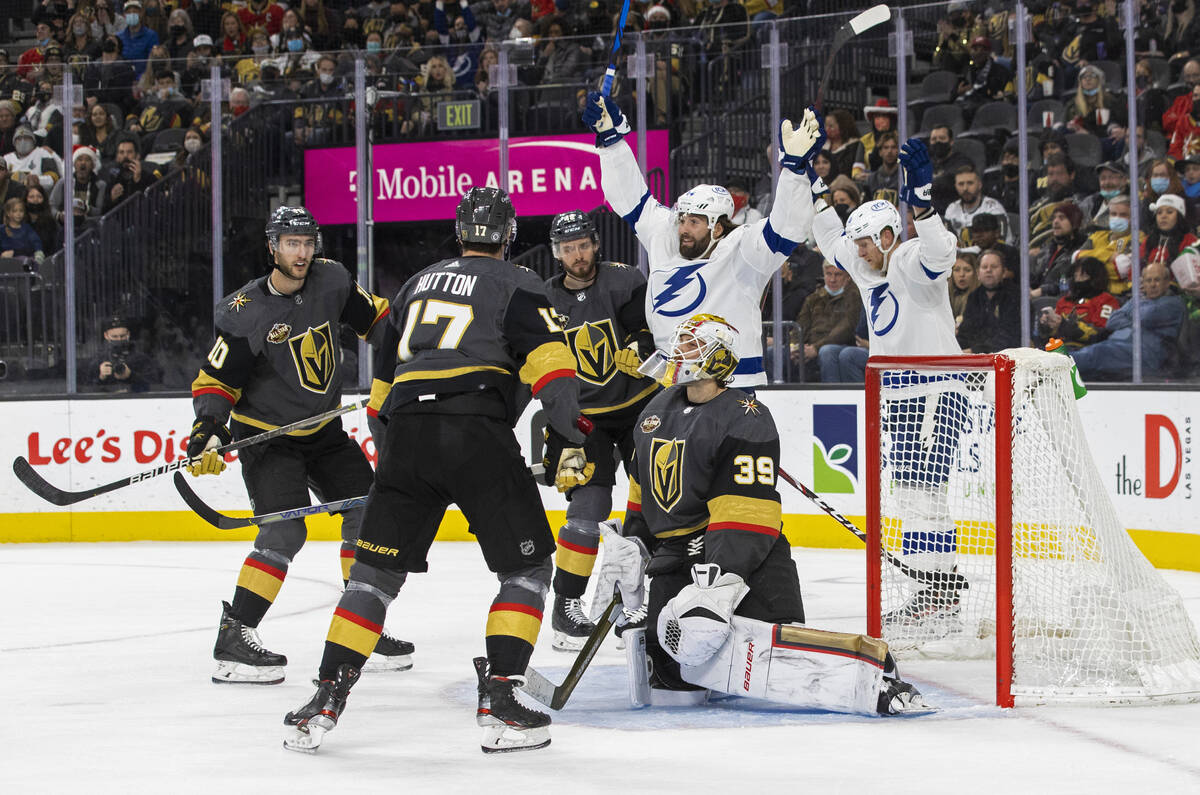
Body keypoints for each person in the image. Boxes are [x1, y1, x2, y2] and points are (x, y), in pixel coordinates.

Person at [282, 187, 593, 755]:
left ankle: (323, 699)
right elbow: (550, 367)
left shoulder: (415, 283)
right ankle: (501, 701)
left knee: (371, 580)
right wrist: (571, 435)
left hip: (407, 435)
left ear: (460, 231)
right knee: (526, 573)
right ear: (507, 236)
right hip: (476, 431)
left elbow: (380, 395)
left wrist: (397, 461)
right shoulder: (518, 282)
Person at [607, 313, 924, 714]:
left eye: (690, 345)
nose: (677, 352)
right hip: (678, 558)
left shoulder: (746, 417)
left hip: (745, 557)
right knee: (673, 681)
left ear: (717, 359)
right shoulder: (656, 407)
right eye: (680, 343)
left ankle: (875, 680)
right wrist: (634, 545)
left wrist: (717, 586)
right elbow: (641, 487)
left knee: (779, 649)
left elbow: (744, 513)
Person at [187, 206, 413, 685]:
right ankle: (234, 635)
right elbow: (216, 380)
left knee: (368, 515)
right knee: (285, 534)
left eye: (308, 242)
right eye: (292, 243)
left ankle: (362, 626)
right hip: (269, 438)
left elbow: (381, 324)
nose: (302, 252)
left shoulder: (331, 281)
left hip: (324, 430)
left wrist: (405, 366)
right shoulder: (244, 313)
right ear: (273, 247)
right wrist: (208, 429)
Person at [809, 137, 965, 627]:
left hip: (938, 388)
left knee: (926, 492)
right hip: (897, 393)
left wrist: (924, 205)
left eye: (865, 241)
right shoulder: (864, 261)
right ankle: (932, 592)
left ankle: (940, 596)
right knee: (912, 492)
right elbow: (827, 232)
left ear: (886, 236)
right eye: (856, 243)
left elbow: (943, 254)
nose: (856, 251)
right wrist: (808, 176)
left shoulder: (909, 258)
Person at [582, 92, 818, 388]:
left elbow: (788, 227)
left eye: (694, 222)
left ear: (717, 228)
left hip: (732, 386)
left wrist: (795, 171)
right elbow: (628, 196)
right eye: (683, 219)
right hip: (672, 385)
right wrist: (610, 142)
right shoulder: (666, 236)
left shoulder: (743, 252)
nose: (683, 228)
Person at [540, 209, 658, 650]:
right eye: (568, 249)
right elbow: (537, 363)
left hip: (638, 408)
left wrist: (638, 347)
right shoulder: (543, 297)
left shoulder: (625, 280)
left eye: (583, 246)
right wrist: (554, 435)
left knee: (656, 492)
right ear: (557, 253)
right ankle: (567, 605)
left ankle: (646, 596)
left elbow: (649, 331)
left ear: (596, 244)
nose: (578, 256)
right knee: (588, 503)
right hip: (582, 418)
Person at [1071, 262, 1186, 381]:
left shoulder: (1173, 303)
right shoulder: (1138, 300)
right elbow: (1112, 320)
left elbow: (1145, 317)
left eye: (1157, 280)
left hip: (1146, 355)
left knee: (1096, 354)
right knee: (1087, 371)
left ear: (1167, 283)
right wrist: (1135, 314)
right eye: (1148, 280)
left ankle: (1057, 366)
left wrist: (1131, 311)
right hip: (1118, 348)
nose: (1152, 285)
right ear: (1143, 283)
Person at [793, 262, 860, 382]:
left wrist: (816, 348)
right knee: (775, 353)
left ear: (847, 277)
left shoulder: (854, 296)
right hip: (811, 346)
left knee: (827, 352)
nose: (832, 279)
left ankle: (832, 398)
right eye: (828, 274)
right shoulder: (814, 298)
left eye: (838, 275)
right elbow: (800, 325)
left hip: (841, 345)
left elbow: (846, 329)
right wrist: (794, 346)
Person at [1037, 256, 1120, 350]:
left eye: (1083, 275)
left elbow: (1101, 334)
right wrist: (1047, 324)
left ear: (1095, 278)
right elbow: (1051, 336)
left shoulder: (1106, 300)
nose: (1077, 278)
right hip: (1057, 349)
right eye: (1076, 274)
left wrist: (1065, 325)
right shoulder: (1064, 301)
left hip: (1087, 351)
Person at [956, 249, 1021, 353]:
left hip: (1006, 357)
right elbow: (965, 332)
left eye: (994, 267)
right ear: (978, 273)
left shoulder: (1015, 296)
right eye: (984, 267)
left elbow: (1009, 337)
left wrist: (973, 351)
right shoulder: (974, 297)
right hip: (974, 358)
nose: (988, 270)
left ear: (1004, 272)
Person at [1074, 193, 1135, 297]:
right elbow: (1075, 258)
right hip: (1088, 294)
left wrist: (1089, 260)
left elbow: (1120, 269)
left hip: (1118, 296)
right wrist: (1109, 256)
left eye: (1123, 215)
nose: (1117, 218)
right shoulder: (1097, 235)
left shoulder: (1137, 238)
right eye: (1113, 214)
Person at [82, 314, 162, 393]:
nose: (119, 340)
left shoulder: (142, 360)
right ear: (106, 335)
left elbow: (155, 387)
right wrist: (101, 377)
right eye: (114, 337)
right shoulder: (98, 361)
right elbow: (85, 392)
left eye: (122, 336)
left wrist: (131, 375)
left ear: (128, 334)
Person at [943, 164, 1011, 245]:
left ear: (979, 185)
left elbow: (1001, 243)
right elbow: (947, 244)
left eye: (970, 183)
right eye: (961, 184)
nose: (965, 188)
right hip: (961, 256)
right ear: (955, 186)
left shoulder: (993, 208)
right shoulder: (952, 209)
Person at [49, 145, 106, 224]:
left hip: (89, 225)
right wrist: (59, 215)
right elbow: (52, 205)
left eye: (87, 160)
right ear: (74, 164)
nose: (83, 163)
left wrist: (86, 208)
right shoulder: (63, 183)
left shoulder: (100, 185)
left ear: (93, 165)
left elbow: (100, 211)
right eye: (79, 159)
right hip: (65, 225)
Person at [4, 125, 63, 192]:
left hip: (37, 194)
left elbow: (53, 178)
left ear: (33, 140)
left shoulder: (42, 153)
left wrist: (33, 180)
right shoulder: (7, 158)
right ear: (14, 142)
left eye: (26, 138)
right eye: (19, 139)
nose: (22, 141)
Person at [948, 252, 978, 326]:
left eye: (967, 270)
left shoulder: (981, 298)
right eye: (957, 270)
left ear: (976, 273)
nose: (961, 274)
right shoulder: (944, 296)